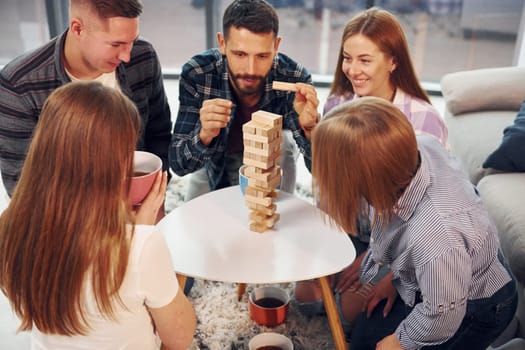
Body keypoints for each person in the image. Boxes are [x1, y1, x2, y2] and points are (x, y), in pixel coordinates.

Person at [0, 81, 196, 350]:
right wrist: (142, 233)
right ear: (106, 167)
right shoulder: (143, 246)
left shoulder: (9, 226)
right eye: (126, 154)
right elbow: (180, 338)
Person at [311, 96, 517, 349]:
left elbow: (442, 317)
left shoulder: (435, 238)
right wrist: (395, 281)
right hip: (442, 278)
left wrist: (400, 341)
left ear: (368, 181)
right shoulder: (417, 150)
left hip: (475, 310)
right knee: (365, 337)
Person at [294, 6, 448, 332]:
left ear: (393, 61)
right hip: (348, 225)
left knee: (350, 314)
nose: (352, 69)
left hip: (395, 242)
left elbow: (429, 213)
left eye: (365, 60)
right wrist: (312, 130)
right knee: (306, 300)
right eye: (347, 58)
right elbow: (328, 179)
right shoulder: (338, 103)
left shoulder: (423, 121)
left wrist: (378, 261)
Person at [0, 0, 172, 198]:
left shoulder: (143, 56)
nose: (126, 56)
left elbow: (159, 134)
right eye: (116, 44)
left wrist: (154, 194)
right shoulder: (19, 84)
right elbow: (20, 184)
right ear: (78, 29)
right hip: (68, 214)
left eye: (132, 41)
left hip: (138, 199)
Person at [169, 0, 319, 201]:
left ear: (276, 46)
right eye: (240, 54)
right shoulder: (198, 73)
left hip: (272, 160)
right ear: (222, 44)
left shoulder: (293, 77)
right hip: (214, 161)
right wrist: (204, 135)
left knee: (282, 146)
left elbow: (323, 172)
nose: (250, 69)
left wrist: (311, 131)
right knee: (194, 222)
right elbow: (178, 165)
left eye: (262, 56)